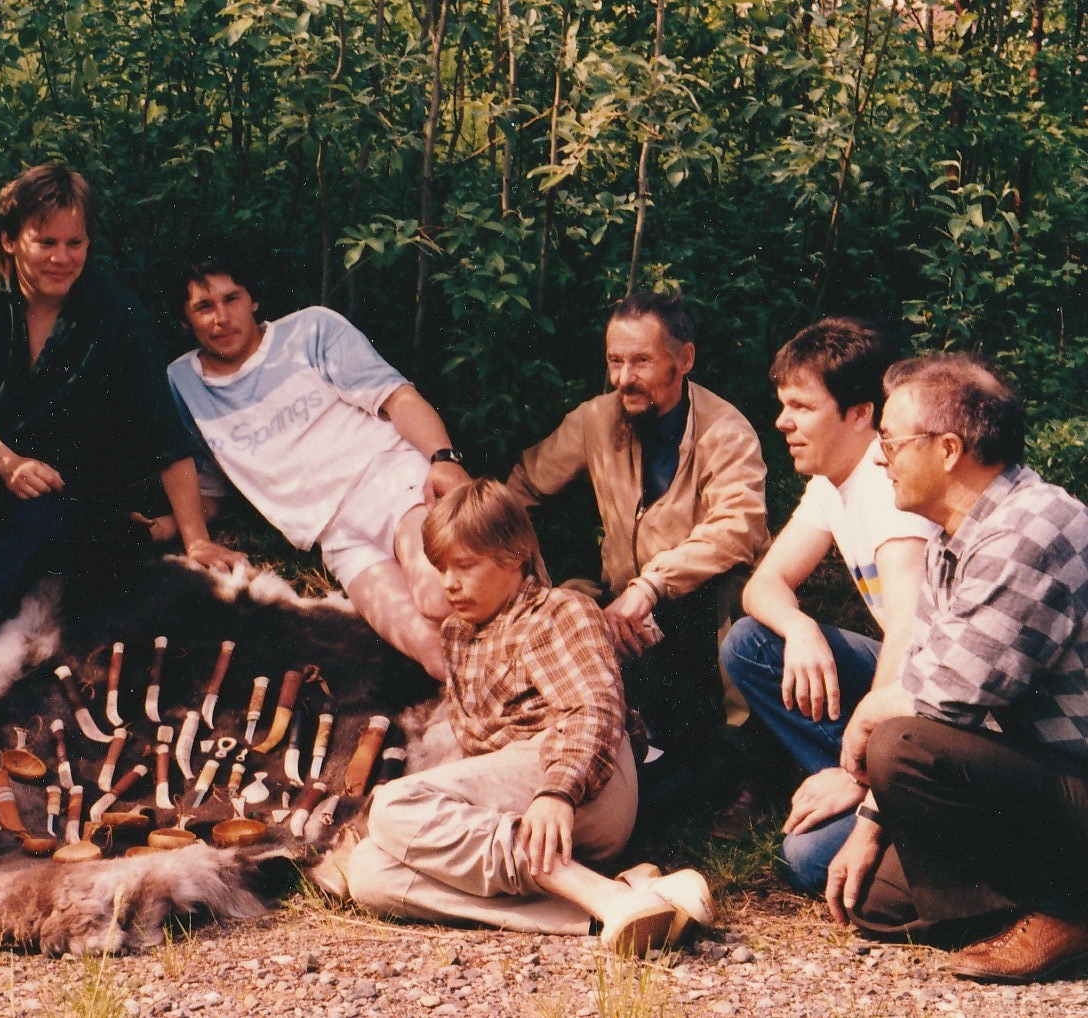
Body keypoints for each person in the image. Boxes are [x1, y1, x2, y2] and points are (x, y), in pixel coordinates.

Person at [314, 479, 714, 956]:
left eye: (464, 566)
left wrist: (557, 791)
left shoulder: (559, 610)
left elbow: (594, 709)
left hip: (583, 783)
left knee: (392, 807)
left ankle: (599, 892)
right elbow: (477, 761)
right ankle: (624, 903)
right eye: (441, 568)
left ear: (515, 556)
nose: (448, 583)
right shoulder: (459, 636)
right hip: (519, 809)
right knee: (372, 875)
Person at [826, 354, 1088, 984]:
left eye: (889, 440)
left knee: (901, 742)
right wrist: (868, 827)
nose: (879, 457)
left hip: (1078, 775)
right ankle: (1041, 904)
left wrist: (864, 716)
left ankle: (1070, 911)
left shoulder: (1034, 526)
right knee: (877, 904)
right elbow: (930, 669)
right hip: (1045, 780)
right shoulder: (956, 534)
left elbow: (946, 699)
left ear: (948, 449)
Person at [0, 165, 244, 657]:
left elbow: (163, 433)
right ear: (10, 240)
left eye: (76, 243)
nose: (62, 258)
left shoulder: (117, 314)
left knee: (45, 524)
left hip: (64, 493)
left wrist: (195, 540)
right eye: (45, 242)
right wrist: (6, 461)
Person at [162, 247, 471, 679]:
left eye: (231, 299)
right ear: (184, 319)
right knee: (428, 647)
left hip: (389, 482)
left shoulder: (310, 330)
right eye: (203, 307)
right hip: (337, 536)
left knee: (438, 597)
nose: (221, 317)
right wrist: (177, 529)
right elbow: (210, 485)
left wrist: (443, 458)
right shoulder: (182, 383)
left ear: (252, 300)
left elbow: (397, 397)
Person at [506, 291, 769, 763]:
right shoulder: (597, 420)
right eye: (615, 361)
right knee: (567, 601)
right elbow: (524, 487)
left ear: (684, 359)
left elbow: (738, 526)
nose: (624, 379)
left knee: (742, 605)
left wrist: (650, 586)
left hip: (704, 604)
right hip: (628, 607)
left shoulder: (725, 431)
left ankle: (742, 761)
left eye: (642, 361)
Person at [719, 320, 932, 890]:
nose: (782, 422)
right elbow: (762, 586)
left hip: (939, 698)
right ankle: (858, 792)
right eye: (782, 404)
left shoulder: (892, 490)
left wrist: (858, 770)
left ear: (860, 413)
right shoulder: (832, 480)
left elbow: (911, 638)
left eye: (801, 407)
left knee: (807, 860)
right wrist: (802, 628)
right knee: (752, 642)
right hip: (906, 687)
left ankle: (874, 798)